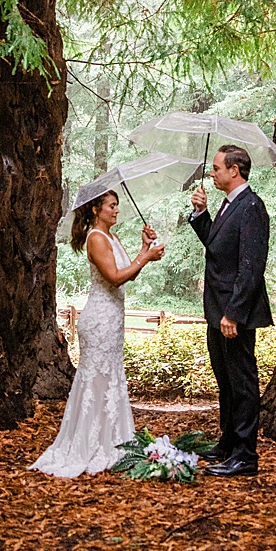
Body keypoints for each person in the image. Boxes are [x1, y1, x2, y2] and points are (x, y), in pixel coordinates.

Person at [31, 189, 165, 477]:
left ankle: (112, 440)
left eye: (117, 206)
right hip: (99, 320)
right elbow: (114, 278)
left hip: (112, 318)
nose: (117, 210)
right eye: (112, 206)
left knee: (111, 378)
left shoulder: (112, 237)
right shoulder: (96, 238)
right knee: (96, 380)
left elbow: (129, 271)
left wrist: (145, 251)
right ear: (96, 210)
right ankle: (88, 444)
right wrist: (146, 257)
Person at [187, 144, 272, 475]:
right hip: (217, 308)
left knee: (242, 382)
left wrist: (233, 314)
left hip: (235, 313)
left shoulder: (251, 207)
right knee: (225, 379)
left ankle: (245, 456)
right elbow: (217, 247)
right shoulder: (228, 205)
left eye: (217, 168)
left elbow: (251, 267)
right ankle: (227, 443)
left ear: (234, 171)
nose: (212, 172)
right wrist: (200, 215)